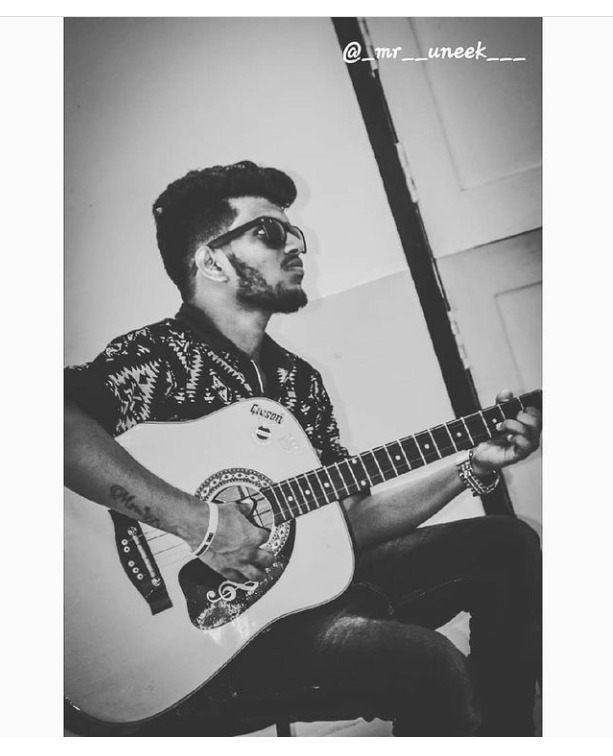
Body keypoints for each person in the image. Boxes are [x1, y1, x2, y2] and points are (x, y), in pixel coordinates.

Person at [65, 160, 542, 737]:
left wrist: (470, 467)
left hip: (299, 596)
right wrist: (201, 524)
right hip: (205, 644)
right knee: (427, 664)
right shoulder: (156, 358)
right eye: (270, 232)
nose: (296, 244)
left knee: (505, 545)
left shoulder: (297, 382)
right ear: (211, 261)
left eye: (293, 231)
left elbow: (352, 521)